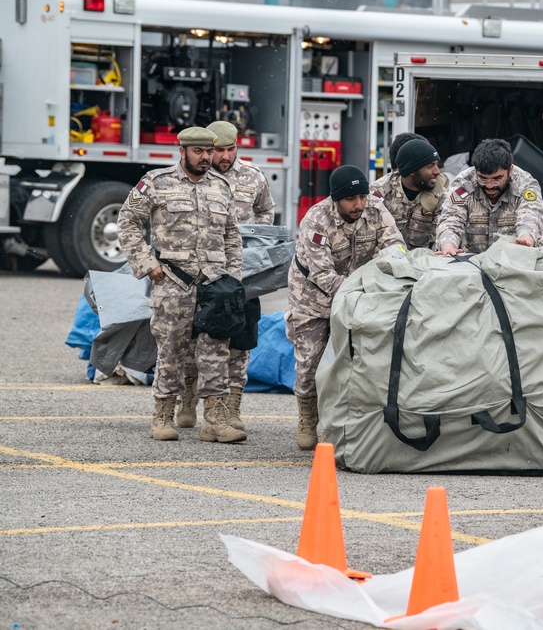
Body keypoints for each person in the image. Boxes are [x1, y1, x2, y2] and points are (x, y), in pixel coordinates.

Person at [117, 126, 245, 443]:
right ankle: (163, 416)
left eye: (209, 152)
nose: (206, 158)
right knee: (171, 352)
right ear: (182, 151)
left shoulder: (221, 187)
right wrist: (147, 265)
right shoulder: (157, 183)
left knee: (216, 353)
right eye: (199, 152)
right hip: (173, 283)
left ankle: (214, 420)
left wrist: (233, 279)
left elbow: (232, 237)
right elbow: (127, 221)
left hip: (215, 286)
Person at [286, 165, 404, 450]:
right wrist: (364, 289)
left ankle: (340, 423)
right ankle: (307, 415)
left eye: (362, 197)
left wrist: (389, 276)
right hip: (314, 299)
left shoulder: (375, 209)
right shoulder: (316, 219)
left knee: (356, 360)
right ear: (336, 199)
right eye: (351, 200)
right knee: (310, 363)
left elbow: (396, 247)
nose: (359, 205)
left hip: (359, 295)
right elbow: (323, 275)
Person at [172, 120, 277, 432]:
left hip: (240, 274)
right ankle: (188, 397)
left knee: (239, 340)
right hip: (201, 274)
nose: (225, 157)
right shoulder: (195, 176)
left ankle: (231, 408)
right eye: (219, 151)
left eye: (231, 150)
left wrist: (253, 241)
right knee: (195, 339)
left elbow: (266, 213)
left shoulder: (253, 177)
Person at [436, 138, 543, 255]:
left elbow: (531, 216)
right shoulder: (464, 183)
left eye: (497, 179)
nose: (489, 186)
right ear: (475, 171)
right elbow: (451, 219)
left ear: (510, 170)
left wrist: (525, 240)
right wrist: (448, 246)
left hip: (511, 257)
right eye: (483, 178)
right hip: (471, 260)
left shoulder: (525, 184)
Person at [370, 136, 448, 249]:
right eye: (430, 166)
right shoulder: (379, 193)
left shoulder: (439, 195)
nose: (437, 171)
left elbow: (445, 229)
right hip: (383, 260)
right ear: (411, 170)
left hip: (419, 261)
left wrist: (447, 245)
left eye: (436, 164)